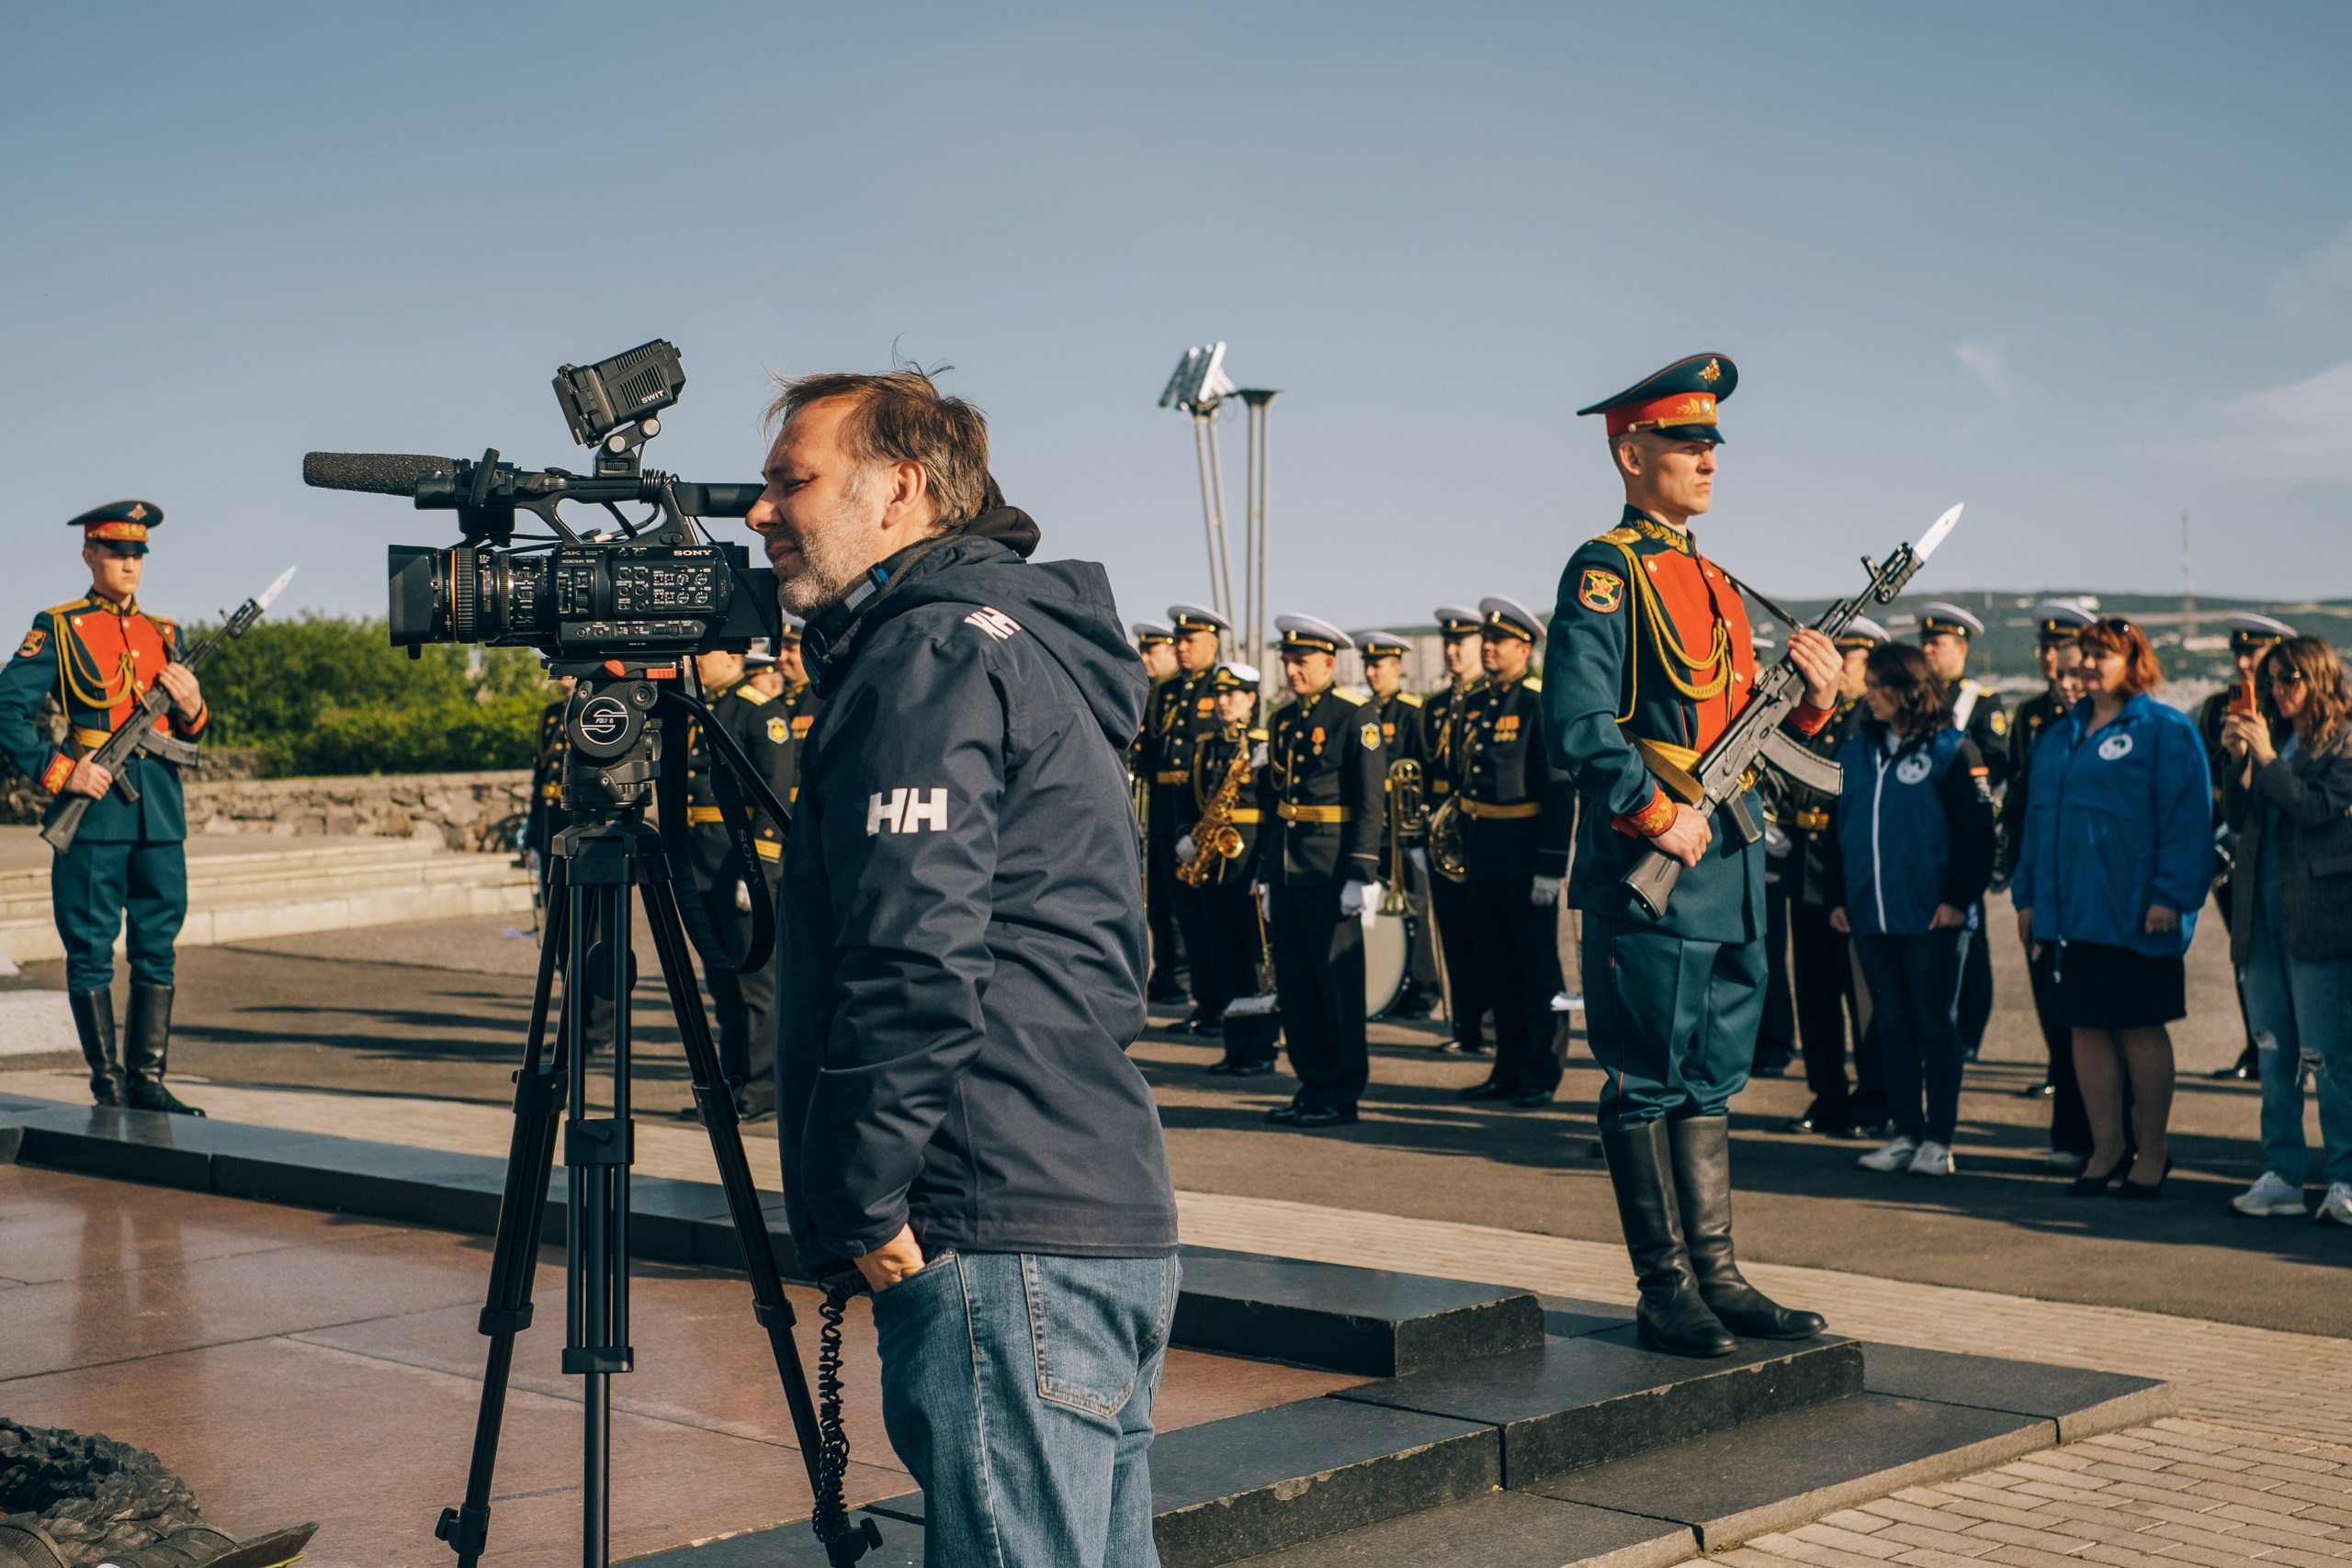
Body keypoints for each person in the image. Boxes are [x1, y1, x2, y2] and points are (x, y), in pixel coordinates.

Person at [751, 367, 1178, 1566]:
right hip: (1093, 1204)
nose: (760, 512)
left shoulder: (927, 650)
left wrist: (862, 1205)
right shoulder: (1019, 641)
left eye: (794, 480)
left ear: (900, 490)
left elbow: (914, 950)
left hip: (996, 1220)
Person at [1545, 354, 1836, 1358]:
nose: (1706, 459)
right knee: (1649, 1078)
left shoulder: (1712, 578)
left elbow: (1737, 714)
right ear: (1632, 454)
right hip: (1657, 862)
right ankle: (1664, 1287)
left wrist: (1814, 697)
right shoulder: (1605, 571)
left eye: (1711, 442)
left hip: (1729, 862)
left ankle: (1716, 1274)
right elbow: (1579, 725)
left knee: (1712, 1077)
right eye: (1685, 442)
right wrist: (1648, 812)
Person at [0, 502, 210, 1114]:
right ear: (89, 554)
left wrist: (194, 705)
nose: (129, 564)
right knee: (90, 947)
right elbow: (7, 712)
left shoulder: (163, 633)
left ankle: (147, 1080)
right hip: (92, 814)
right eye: (117, 552)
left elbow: (188, 731)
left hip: (160, 814)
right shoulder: (59, 626)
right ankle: (108, 1086)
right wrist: (64, 771)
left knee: (157, 944)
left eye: (138, 553)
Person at [2010, 617, 2212, 1200]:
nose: (2090, 664)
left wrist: (2171, 896)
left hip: (2135, 912)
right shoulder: (2059, 735)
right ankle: (2106, 1149)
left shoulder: (2164, 729)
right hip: (2071, 914)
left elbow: (2187, 820)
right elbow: (2037, 824)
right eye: (2087, 654)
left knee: (2138, 1029)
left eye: (2104, 655)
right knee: (2085, 1031)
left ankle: (2152, 1151)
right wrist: (2029, 899)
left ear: (2134, 662)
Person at [1825, 643, 1996, 1178]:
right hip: (1870, 916)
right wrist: (1836, 898)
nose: (1870, 694)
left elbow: (1979, 835)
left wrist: (1956, 900)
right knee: (1891, 1027)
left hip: (1931, 918)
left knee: (1934, 1025)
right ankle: (1904, 1131)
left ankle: (1937, 1140)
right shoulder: (1854, 752)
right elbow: (1836, 833)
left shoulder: (1953, 750)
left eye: (1880, 685)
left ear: (1908, 689)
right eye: (1869, 684)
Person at [2220, 637, 2352, 1225]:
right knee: (2274, 1054)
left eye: (2290, 677)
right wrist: (2237, 762)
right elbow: (2237, 818)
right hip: (2262, 913)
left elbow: (2317, 809)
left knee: (2328, 1056)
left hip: (2319, 916)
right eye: (2270, 678)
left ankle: (2344, 1176)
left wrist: (2268, 758)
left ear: (2320, 677)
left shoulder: (2345, 741)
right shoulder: (2270, 736)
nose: (2277, 689)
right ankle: (2281, 1174)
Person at [1255, 615, 1387, 1129]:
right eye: (1287, 661)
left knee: (1337, 991)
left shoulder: (1357, 716)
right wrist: (1267, 874)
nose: (1292, 670)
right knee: (1297, 990)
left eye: (1301, 661)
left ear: (1329, 662)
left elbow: (1370, 802)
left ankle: (1342, 1091)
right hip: (1289, 873)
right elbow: (1276, 805)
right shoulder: (1282, 720)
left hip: (1331, 873)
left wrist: (1361, 872)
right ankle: (1311, 1084)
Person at [1453, 597, 1575, 1109]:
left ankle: (1540, 1072)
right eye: (1485, 639)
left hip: (1525, 858)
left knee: (1536, 969)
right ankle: (1506, 1066)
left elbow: (1558, 789)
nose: (1487, 647)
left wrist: (1549, 866)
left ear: (1525, 648)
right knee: (1496, 969)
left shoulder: (1538, 702)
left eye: (1498, 640)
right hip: (1484, 857)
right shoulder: (1479, 703)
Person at [1775, 616, 1888, 1138]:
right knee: (1815, 993)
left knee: (1860, 992)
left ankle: (1874, 1097)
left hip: (1850, 870)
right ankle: (1828, 1094)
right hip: (1806, 866)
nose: (1837, 668)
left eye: (1851, 658)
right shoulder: (1816, 715)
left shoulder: (1874, 724)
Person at [2001, 604, 2099, 1169]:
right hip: (2046, 894)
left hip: (2094, 896)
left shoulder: (2131, 726)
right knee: (2057, 1019)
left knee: (2102, 1023)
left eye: (2067, 655)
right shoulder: (2037, 723)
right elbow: (2020, 813)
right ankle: (2073, 1134)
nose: (2055, 666)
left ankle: (2111, 1138)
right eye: (2049, 653)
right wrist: (2024, 892)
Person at [681, 642, 795, 1121]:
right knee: (723, 981)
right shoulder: (704, 708)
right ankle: (731, 1082)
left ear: (731, 656)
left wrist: (760, 867)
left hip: (740, 858)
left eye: (702, 654)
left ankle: (763, 1089)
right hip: (704, 858)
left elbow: (775, 790)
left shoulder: (758, 711)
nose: (695, 662)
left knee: (755, 983)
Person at [2199, 613, 2296, 1081]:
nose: (2242, 661)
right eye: (2237, 651)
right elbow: (2202, 782)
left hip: (2280, 852)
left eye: (2253, 652)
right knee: (2246, 956)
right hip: (2228, 849)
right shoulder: (2219, 707)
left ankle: (2295, 1046)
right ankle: (2257, 1046)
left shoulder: (2289, 709)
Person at [1916, 602, 2007, 1063]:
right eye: (1925, 641)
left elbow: (1995, 759)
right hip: (1921, 835)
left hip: (1960, 832)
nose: (1929, 649)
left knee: (1970, 944)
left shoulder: (1979, 700)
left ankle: (1967, 1033)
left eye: (1938, 642)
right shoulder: (1915, 695)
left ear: (1962, 647)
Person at [1179, 662, 1271, 1065]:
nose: (1222, 702)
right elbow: (1189, 801)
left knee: (1256, 959)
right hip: (1213, 861)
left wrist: (1266, 868)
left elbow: (1273, 810)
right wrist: (1185, 832)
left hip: (1248, 862)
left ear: (1251, 700)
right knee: (1224, 957)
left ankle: (1262, 1048)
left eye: (1232, 695)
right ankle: (1235, 1049)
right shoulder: (1205, 746)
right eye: (1218, 695)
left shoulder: (1265, 745)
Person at [1419, 605, 1492, 1055]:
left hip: (1481, 822)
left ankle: (1491, 1029)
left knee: (1485, 935)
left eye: (1459, 643)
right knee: (1454, 935)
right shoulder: (1434, 707)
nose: (1450, 651)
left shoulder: (1491, 698)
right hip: (1442, 830)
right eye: (1446, 643)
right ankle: (1466, 1027)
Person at [1146, 604, 1225, 1009]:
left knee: (1203, 911)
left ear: (1212, 643)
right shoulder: (1167, 690)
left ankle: (1208, 996)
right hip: (1165, 809)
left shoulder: (1223, 689)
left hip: (1200, 811)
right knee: (1165, 903)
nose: (1180, 647)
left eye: (1189, 640)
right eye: (1177, 640)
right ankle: (1189, 990)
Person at [1360, 630, 1439, 1019]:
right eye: (1368, 666)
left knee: (1414, 911)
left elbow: (1423, 769)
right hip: (1376, 829)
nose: (1372, 673)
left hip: (1404, 830)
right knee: (1380, 913)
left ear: (1397, 667)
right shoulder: (1364, 711)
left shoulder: (1412, 711)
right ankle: (1389, 987)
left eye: (1379, 666)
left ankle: (1423, 991)